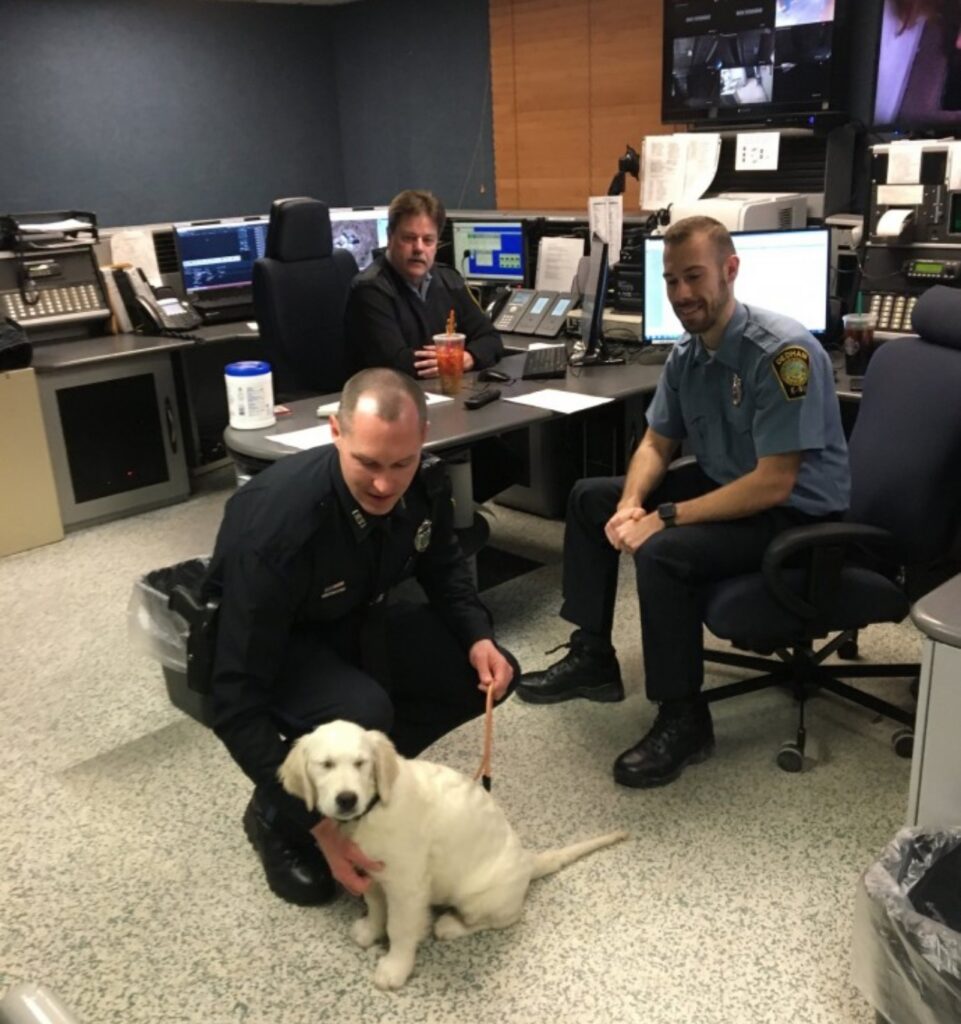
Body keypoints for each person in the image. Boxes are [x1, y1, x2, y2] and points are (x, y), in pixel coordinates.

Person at [516, 216, 850, 789]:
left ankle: (684, 716)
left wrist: (663, 517)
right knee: (590, 498)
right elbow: (655, 441)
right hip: (733, 490)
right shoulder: (688, 354)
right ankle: (594, 656)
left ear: (730, 271)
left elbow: (773, 484)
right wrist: (630, 504)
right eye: (671, 281)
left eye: (694, 276)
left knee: (663, 552)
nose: (681, 294)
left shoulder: (783, 354)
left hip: (795, 516)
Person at [203, 368, 518, 906]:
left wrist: (477, 636)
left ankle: (355, 794)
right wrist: (319, 832)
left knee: (484, 674)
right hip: (275, 645)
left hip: (354, 617)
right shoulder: (277, 527)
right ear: (336, 434)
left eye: (401, 463)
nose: (384, 484)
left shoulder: (425, 483)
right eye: (367, 463)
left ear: (423, 441)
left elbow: (443, 569)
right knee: (365, 710)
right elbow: (232, 702)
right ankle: (277, 815)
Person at [345, 188, 504, 378]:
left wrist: (468, 357)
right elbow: (396, 363)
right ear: (390, 237)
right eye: (409, 238)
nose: (419, 248)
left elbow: (491, 339)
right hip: (391, 399)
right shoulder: (370, 289)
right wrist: (452, 359)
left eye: (428, 240)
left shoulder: (449, 280)